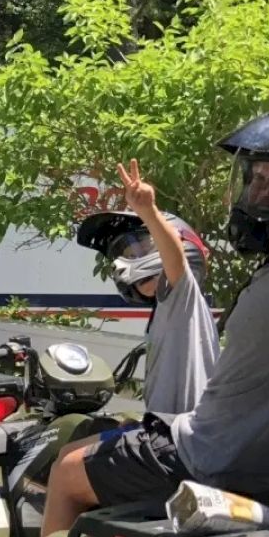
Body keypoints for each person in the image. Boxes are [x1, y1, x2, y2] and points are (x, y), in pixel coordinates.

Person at [42, 81, 269, 537]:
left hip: (217, 461)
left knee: (69, 470)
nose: (262, 195)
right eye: (258, 177)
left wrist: (149, 211)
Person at [75, 161, 219, 415]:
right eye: (125, 252)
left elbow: (176, 261)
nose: (125, 259)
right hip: (163, 427)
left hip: (180, 435)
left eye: (141, 248)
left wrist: (149, 212)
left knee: (69, 456)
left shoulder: (181, 299)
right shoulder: (166, 311)